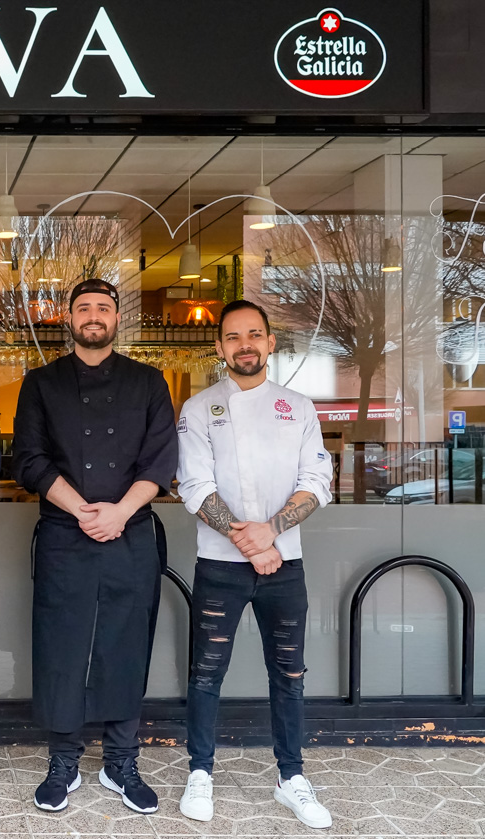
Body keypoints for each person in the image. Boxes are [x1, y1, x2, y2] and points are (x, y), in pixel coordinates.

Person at [13, 278, 177, 815]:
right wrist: (83, 510)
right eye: (83, 308)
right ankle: (63, 759)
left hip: (131, 531)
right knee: (63, 645)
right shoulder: (41, 382)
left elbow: (160, 462)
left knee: (125, 643)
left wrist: (120, 512)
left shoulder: (149, 382)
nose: (93, 316)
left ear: (116, 318)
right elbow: (30, 461)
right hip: (65, 532)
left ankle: (121, 760)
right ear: (69, 318)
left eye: (102, 308)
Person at [175, 300, 333, 829]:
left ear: (269, 343)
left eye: (255, 335)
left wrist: (273, 532)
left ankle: (292, 778)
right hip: (220, 564)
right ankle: (200, 771)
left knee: (289, 674)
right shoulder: (198, 409)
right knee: (205, 675)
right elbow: (195, 487)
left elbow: (317, 483)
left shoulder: (300, 408)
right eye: (234, 337)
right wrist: (253, 541)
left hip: (285, 565)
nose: (245, 344)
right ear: (219, 347)